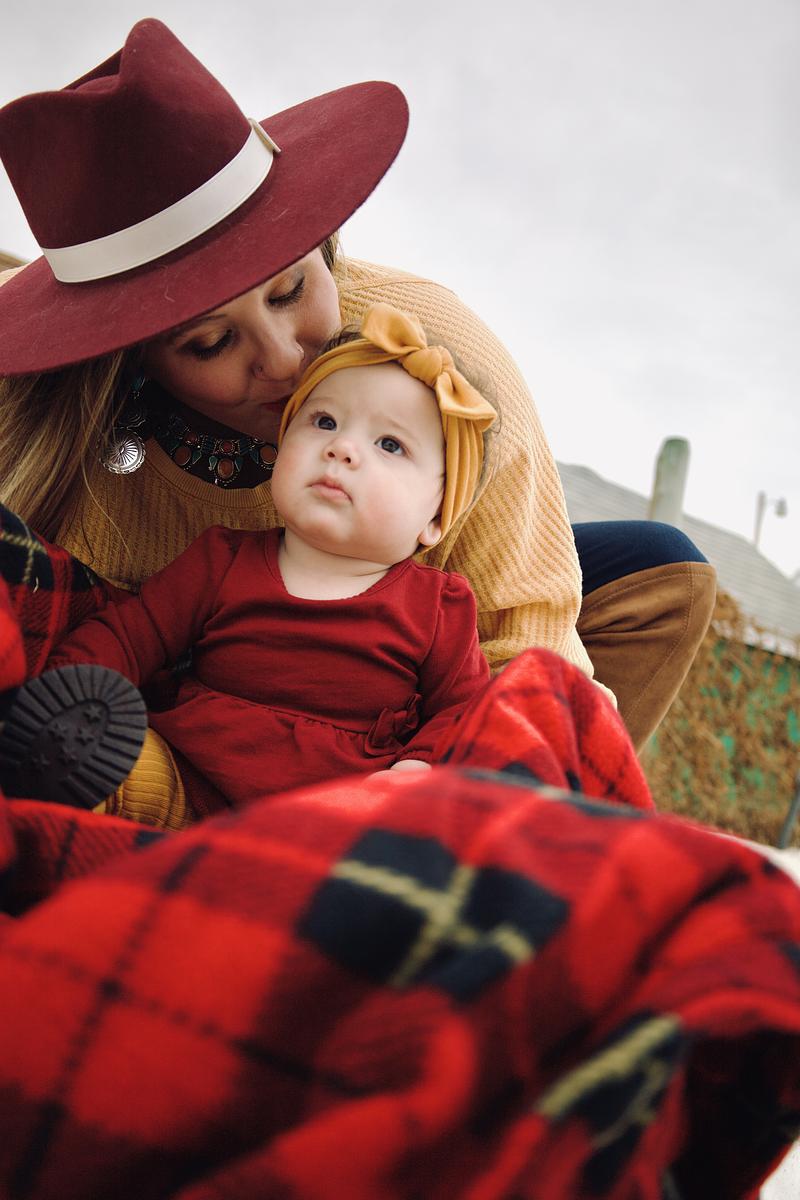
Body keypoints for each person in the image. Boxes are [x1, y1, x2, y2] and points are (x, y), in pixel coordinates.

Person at [0, 17, 714, 784]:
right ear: (128, 361)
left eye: (291, 290)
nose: (285, 359)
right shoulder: (61, 423)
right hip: (203, 687)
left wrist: (442, 782)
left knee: (661, 567)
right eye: (211, 343)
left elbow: (527, 642)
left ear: (322, 241)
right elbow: (107, 637)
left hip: (394, 669)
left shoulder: (438, 353)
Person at [43, 304, 497, 825]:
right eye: (324, 421)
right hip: (187, 776)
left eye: (390, 444)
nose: (342, 448)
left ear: (435, 518)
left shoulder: (437, 607)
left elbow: (465, 711)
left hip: (332, 817)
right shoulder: (222, 559)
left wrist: (421, 765)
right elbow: (130, 635)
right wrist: (68, 685)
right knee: (113, 762)